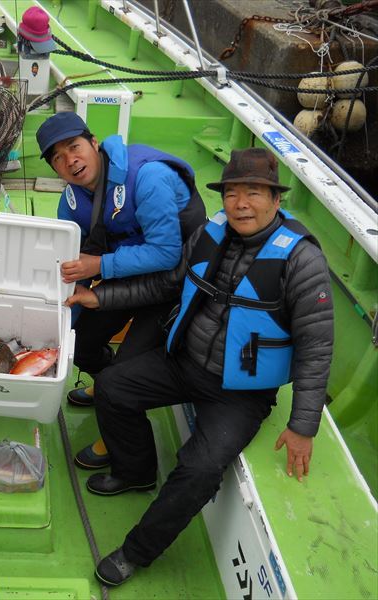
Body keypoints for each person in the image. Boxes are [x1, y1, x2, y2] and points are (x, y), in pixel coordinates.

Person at [65, 148, 334, 586]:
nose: (240, 203)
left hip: (241, 392)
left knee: (200, 468)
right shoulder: (209, 233)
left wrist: (304, 425)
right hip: (186, 362)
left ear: (276, 200)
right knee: (113, 387)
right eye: (231, 193)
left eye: (253, 193)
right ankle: (135, 473)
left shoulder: (302, 261)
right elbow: (167, 284)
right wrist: (100, 298)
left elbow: (317, 346)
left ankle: (136, 552)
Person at [36, 112, 206, 469]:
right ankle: (105, 388)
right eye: (58, 158)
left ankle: (127, 456)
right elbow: (71, 260)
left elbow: (166, 253)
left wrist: (98, 266)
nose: (70, 160)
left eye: (75, 147)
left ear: (94, 143)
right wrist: (60, 321)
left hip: (173, 283)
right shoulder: (72, 199)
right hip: (127, 273)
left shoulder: (148, 177)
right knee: (80, 344)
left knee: (123, 380)